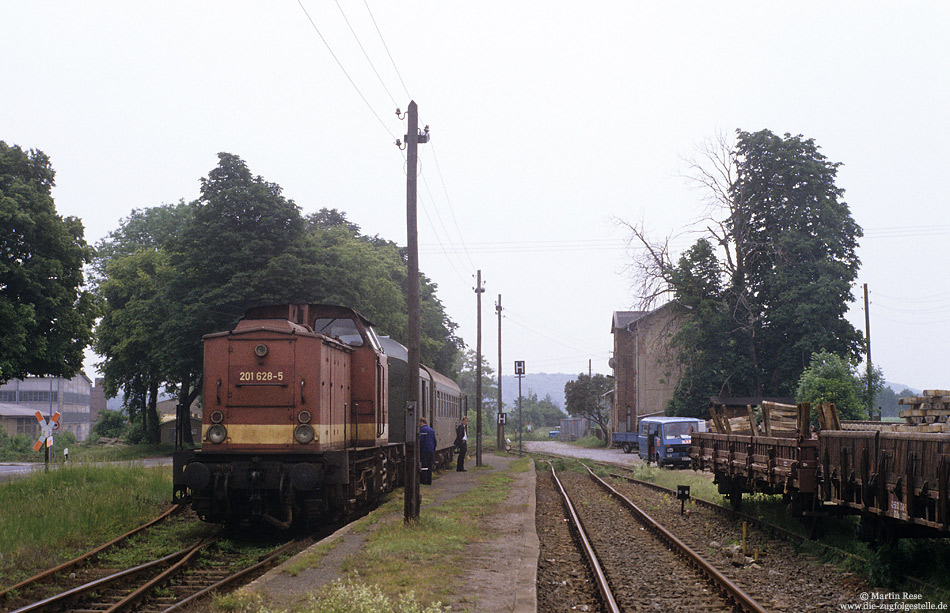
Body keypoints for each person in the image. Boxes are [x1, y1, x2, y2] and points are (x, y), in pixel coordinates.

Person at [419, 418, 436, 485]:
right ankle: (429, 481)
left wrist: (419, 450)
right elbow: (434, 441)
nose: (419, 424)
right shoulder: (431, 430)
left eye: (420, 423)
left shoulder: (423, 430)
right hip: (431, 450)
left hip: (424, 450)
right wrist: (433, 449)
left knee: (424, 466)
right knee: (430, 466)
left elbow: (421, 441)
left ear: (422, 422)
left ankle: (424, 481)